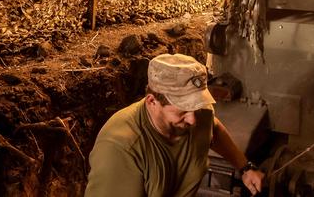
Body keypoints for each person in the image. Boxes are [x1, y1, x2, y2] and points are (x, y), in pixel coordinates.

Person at [85, 53, 264, 196]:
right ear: (152, 102)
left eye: (197, 106)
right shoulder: (120, 148)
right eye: (183, 110)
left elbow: (213, 129)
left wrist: (245, 167)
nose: (193, 120)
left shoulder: (200, 115)